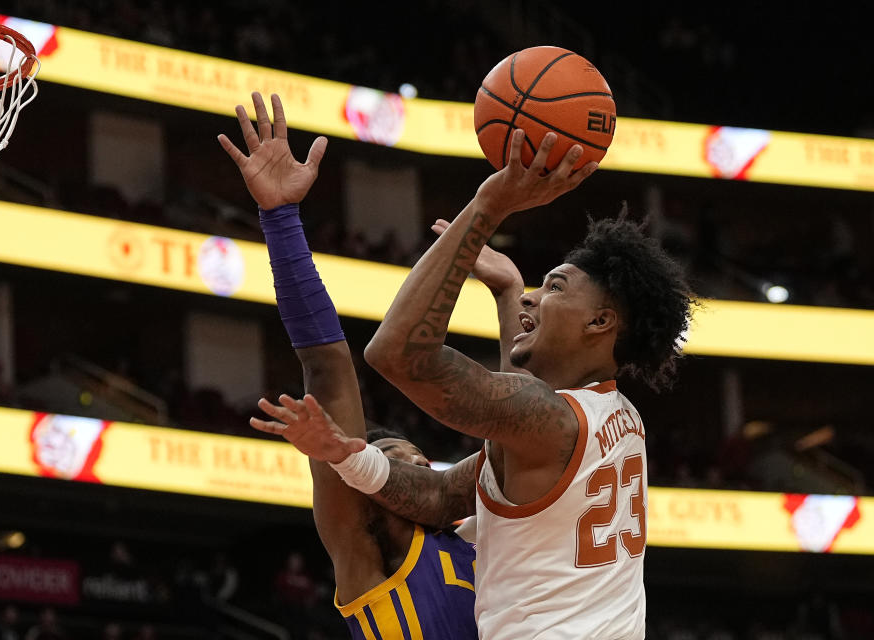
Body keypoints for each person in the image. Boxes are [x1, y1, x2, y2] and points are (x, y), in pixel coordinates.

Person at [255, 127, 695, 638]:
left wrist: (491, 203)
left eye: (552, 288)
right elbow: (446, 490)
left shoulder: (552, 423)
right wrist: (508, 292)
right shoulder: (618, 419)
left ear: (599, 323)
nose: (533, 297)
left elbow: (400, 355)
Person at [219, 92, 478, 640]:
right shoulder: (369, 542)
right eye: (379, 461)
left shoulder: (481, 543)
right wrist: (281, 219)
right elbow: (328, 367)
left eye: (408, 457)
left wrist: (506, 293)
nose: (399, 463)